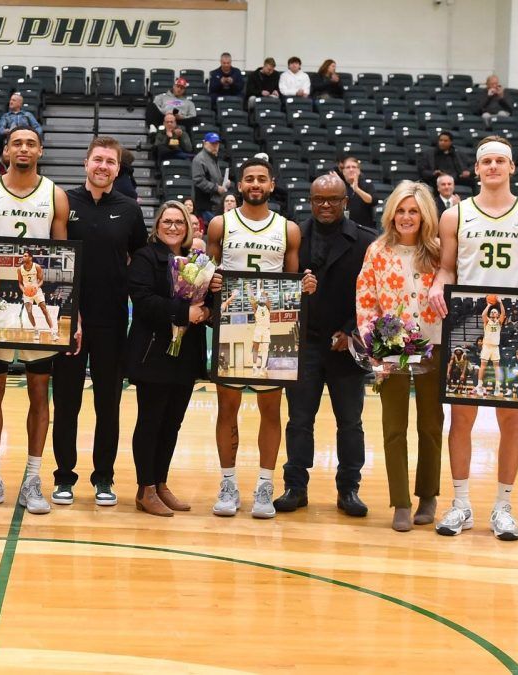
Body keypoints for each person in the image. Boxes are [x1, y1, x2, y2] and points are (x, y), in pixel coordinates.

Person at [428, 136, 518, 541]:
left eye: (499, 161)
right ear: (477, 169)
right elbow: (448, 268)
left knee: (510, 419)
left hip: (517, 321)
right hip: (467, 321)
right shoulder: (455, 216)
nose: (492, 167)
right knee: (462, 418)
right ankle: (461, 504)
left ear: (511, 167)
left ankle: (503, 507)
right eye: (485, 161)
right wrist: (438, 284)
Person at [205, 158, 316, 519]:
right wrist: (212, 284)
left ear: (272, 185)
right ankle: (228, 484)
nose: (255, 184)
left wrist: (306, 286)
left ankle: (265, 486)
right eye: (249, 178)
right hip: (232, 325)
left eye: (261, 179)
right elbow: (208, 274)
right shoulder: (221, 225)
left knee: (271, 410)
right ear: (239, 185)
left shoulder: (288, 230)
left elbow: (292, 284)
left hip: (274, 326)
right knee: (227, 408)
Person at [0, 126, 69, 512]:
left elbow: (62, 263)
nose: (23, 148)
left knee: (39, 392)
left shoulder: (54, 195)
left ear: (40, 150)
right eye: (17, 143)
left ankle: (32, 478)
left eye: (30, 143)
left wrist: (67, 316)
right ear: (7, 150)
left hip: (36, 301)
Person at [52, 137, 147, 505]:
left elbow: (141, 259)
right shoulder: (65, 202)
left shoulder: (129, 209)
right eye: (98, 160)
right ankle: (64, 477)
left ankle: (104, 478)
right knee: (66, 403)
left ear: (118, 169)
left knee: (108, 404)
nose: (103, 166)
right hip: (69, 319)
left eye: (111, 162)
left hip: (111, 320)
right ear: (85, 162)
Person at [276, 173, 376, 516]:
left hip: (346, 348)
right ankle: (295, 486)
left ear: (345, 202)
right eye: (320, 199)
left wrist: (350, 332)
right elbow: (276, 293)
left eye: (333, 199)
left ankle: (349, 489)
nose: (326, 205)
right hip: (303, 345)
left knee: (351, 422)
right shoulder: (293, 237)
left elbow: (371, 298)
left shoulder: (366, 241)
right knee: (299, 420)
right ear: (310, 200)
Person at [355, 181, 443, 532]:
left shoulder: (439, 251)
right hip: (392, 342)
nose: (407, 217)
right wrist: (374, 347)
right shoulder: (377, 251)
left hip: (433, 343)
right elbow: (366, 300)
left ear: (425, 216)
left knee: (430, 424)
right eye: (401, 211)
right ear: (392, 214)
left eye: (414, 211)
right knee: (394, 426)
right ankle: (401, 501)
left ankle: (429, 494)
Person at [126, 202, 218, 516]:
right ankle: (145, 488)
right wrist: (182, 312)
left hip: (185, 355)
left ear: (188, 228)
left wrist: (205, 311)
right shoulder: (145, 256)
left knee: (172, 424)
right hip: (153, 352)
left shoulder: (197, 260)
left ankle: (161, 483)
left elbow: (208, 300)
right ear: (158, 225)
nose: (174, 227)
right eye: (167, 221)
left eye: (179, 222)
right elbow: (142, 300)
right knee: (151, 421)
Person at [191, 132, 225, 222]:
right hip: (205, 206)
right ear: (205, 143)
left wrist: (223, 183)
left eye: (216, 143)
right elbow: (198, 180)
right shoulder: (199, 159)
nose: (215, 146)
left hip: (214, 203)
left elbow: (213, 177)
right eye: (212, 143)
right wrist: (216, 188)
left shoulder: (213, 157)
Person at [338, 156, 375, 229]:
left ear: (359, 171)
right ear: (343, 171)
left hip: (364, 228)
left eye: (354, 167)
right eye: (348, 167)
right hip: (344, 228)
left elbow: (372, 200)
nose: (351, 169)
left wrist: (357, 189)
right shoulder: (341, 186)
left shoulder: (367, 184)